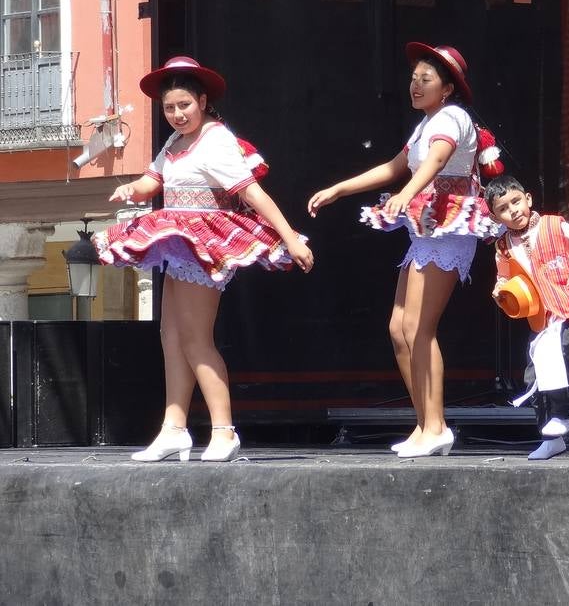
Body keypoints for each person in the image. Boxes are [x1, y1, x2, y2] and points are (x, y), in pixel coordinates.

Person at [93, 56, 314, 463]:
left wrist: (290, 238)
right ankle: (174, 429)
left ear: (203, 101)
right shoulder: (174, 143)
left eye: (184, 106)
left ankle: (224, 431)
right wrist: (131, 190)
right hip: (177, 242)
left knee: (196, 339)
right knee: (170, 337)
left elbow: (252, 194)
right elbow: (152, 181)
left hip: (204, 244)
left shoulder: (216, 139)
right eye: (169, 108)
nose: (177, 114)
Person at [308, 43, 498, 458]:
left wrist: (406, 194)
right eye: (413, 77)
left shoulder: (453, 117)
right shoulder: (425, 123)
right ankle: (426, 423)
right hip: (426, 227)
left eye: (425, 78)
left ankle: (436, 426)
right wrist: (340, 188)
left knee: (419, 328)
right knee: (399, 329)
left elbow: (434, 162)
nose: (415, 84)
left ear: (447, 88)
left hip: (447, 224)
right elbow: (397, 166)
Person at [486, 174, 569, 460]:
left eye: (516, 201)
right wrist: (501, 292)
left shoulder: (553, 225)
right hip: (541, 318)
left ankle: (562, 416)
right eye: (503, 208)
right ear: (496, 215)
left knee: (560, 355)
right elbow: (504, 278)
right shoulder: (503, 247)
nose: (513, 210)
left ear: (528, 199)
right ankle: (550, 434)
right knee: (534, 373)